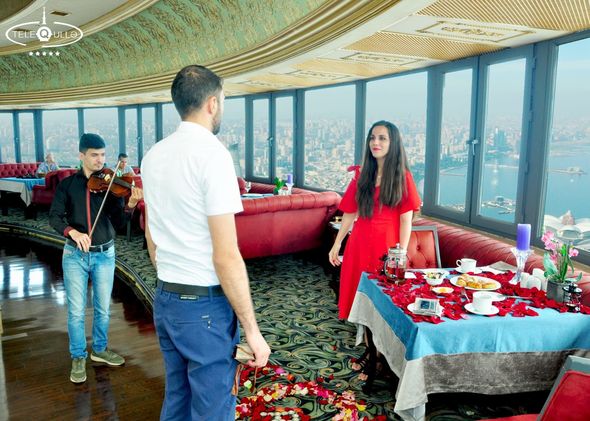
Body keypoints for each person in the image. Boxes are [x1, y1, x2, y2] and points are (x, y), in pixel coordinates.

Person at [141, 65, 270, 420]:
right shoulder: (213, 155)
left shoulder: (153, 156)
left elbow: (151, 233)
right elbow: (226, 255)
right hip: (204, 309)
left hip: (166, 298)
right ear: (212, 103)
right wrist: (252, 331)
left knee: (178, 399)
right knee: (213, 408)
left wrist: (171, 274)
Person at [328, 120, 421, 377]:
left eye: (382, 138)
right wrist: (337, 243)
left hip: (386, 249)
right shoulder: (362, 175)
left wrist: (400, 255)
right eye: (372, 137)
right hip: (359, 244)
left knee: (381, 305)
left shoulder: (402, 177)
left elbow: (406, 220)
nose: (375, 142)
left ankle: (380, 358)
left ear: (393, 144)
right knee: (362, 302)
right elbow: (350, 212)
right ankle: (372, 353)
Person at [49, 133, 143, 384]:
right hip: (75, 256)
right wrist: (73, 232)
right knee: (76, 312)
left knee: (103, 308)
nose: (100, 160)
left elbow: (119, 223)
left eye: (102, 155)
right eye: (94, 155)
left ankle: (99, 350)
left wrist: (130, 205)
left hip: (105, 255)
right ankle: (78, 356)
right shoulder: (67, 185)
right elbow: (54, 217)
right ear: (81, 156)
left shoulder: (111, 186)